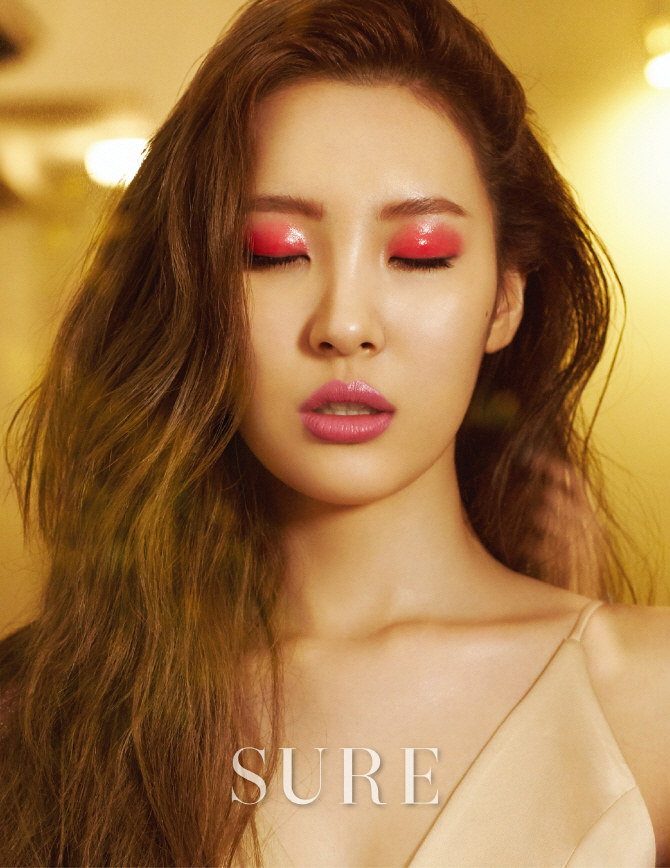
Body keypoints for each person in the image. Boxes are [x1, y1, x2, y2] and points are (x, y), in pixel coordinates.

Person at [0, 0, 668, 864]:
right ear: (202, 292)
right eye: (274, 252)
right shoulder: (48, 716)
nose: (344, 324)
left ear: (505, 298)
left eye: (419, 253)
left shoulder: (647, 699)